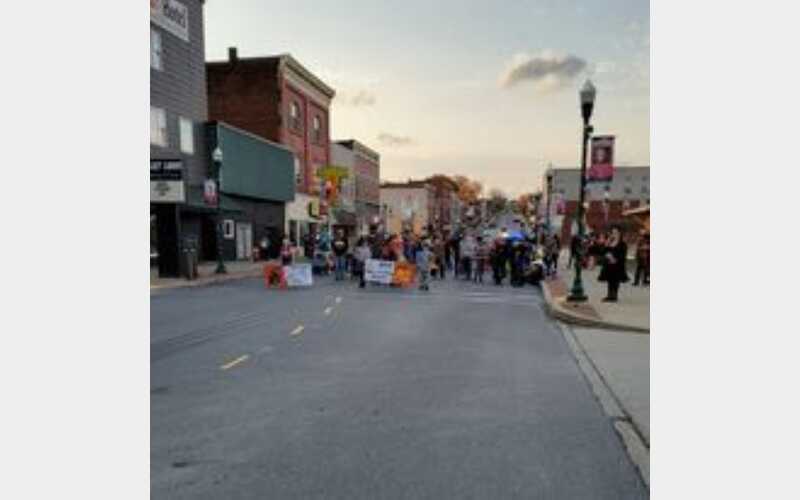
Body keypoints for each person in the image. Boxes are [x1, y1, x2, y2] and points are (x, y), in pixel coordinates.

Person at [598, 226, 629, 302]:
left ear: (619, 233)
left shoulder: (622, 244)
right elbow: (603, 252)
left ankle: (614, 296)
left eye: (616, 232)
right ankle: (609, 295)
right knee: (610, 280)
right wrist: (606, 244)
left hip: (617, 265)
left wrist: (615, 259)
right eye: (613, 232)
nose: (614, 234)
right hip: (609, 264)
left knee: (615, 280)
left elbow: (623, 255)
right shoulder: (610, 242)